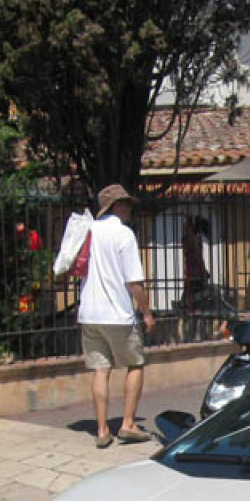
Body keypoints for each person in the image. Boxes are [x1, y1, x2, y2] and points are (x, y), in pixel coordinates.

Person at [78, 183, 155, 448]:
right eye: (127, 204)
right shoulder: (123, 235)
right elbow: (134, 282)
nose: (130, 209)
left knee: (100, 370)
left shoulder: (89, 231)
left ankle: (101, 430)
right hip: (117, 315)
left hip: (89, 313)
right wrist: (147, 312)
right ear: (117, 206)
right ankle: (128, 423)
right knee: (135, 364)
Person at [178, 215, 210, 339]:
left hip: (195, 276)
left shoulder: (193, 239)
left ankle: (194, 334)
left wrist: (203, 272)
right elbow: (197, 257)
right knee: (191, 306)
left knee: (194, 306)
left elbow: (198, 257)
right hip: (194, 277)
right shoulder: (192, 239)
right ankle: (192, 334)